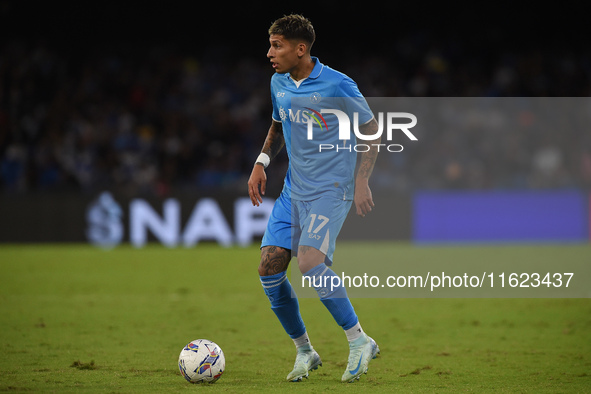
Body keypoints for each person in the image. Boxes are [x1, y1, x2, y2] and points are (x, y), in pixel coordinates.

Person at [247, 14, 380, 383]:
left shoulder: (339, 84)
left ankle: (359, 341)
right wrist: (261, 162)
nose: (269, 53)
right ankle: (305, 351)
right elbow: (277, 124)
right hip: (294, 189)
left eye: (277, 45)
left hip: (331, 190)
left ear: (300, 49)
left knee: (308, 263)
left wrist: (362, 181)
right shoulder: (278, 82)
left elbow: (371, 130)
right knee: (269, 268)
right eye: (270, 44)